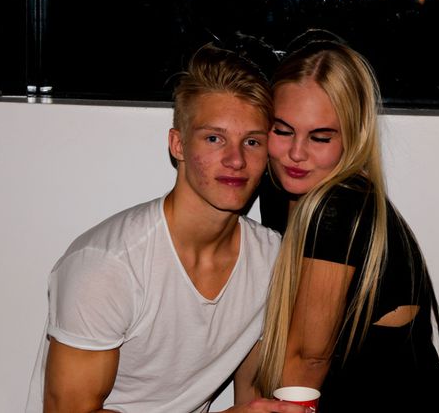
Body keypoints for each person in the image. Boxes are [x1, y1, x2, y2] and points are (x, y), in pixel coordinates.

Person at [25, 43, 307, 413]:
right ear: (178, 144)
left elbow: (252, 393)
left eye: (252, 142)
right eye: (214, 138)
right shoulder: (108, 266)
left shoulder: (270, 259)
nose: (236, 159)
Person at [254, 37, 439, 411]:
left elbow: (306, 361)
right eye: (283, 130)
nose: (296, 153)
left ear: (353, 136)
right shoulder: (283, 191)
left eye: (321, 137)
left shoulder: (338, 208)